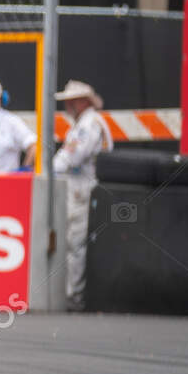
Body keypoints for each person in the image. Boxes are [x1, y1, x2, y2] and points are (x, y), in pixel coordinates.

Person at [53, 79, 112, 311]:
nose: (68, 106)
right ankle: (73, 293)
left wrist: (46, 170)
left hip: (83, 193)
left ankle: (74, 296)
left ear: (83, 102)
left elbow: (72, 157)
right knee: (74, 244)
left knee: (76, 245)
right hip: (81, 191)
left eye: (72, 101)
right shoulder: (85, 123)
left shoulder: (88, 125)